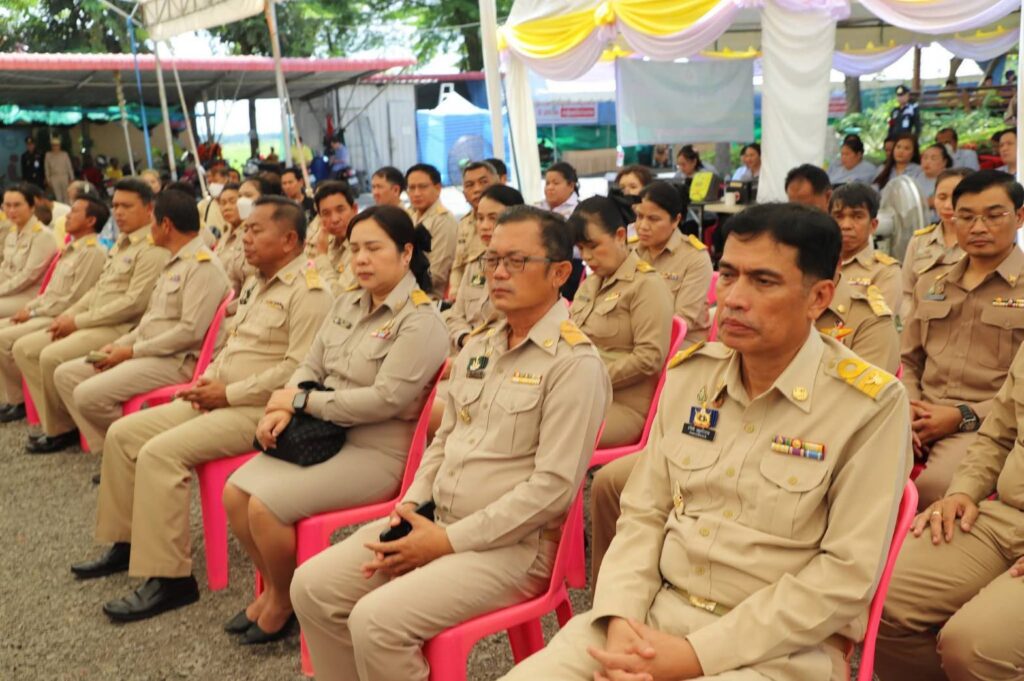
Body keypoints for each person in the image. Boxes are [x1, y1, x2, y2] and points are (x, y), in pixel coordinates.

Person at [502, 202, 910, 681]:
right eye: (729, 275)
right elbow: (643, 514)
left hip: (776, 651)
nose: (733, 298)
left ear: (818, 297)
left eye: (763, 281)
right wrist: (620, 620)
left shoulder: (868, 406)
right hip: (652, 614)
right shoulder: (692, 376)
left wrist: (694, 655)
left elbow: (844, 576)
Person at [289, 205, 611, 681]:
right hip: (437, 519)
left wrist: (446, 542)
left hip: (513, 547)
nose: (498, 273)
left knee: (376, 622)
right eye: (492, 260)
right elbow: (444, 440)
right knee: (312, 587)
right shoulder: (481, 345)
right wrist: (412, 505)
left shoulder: (574, 363)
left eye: (516, 262)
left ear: (560, 273)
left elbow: (553, 490)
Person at [69, 196, 331, 622]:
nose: (245, 238)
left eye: (256, 230)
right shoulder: (257, 282)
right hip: (218, 395)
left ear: (288, 240)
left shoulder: (311, 291)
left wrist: (228, 393)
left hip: (261, 409)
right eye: (246, 230)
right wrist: (206, 381)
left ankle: (171, 579)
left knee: (160, 454)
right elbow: (231, 344)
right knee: (124, 433)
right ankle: (128, 541)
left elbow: (298, 369)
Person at [222, 205, 448, 645]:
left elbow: (385, 400)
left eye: (374, 249)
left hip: (378, 452)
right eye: (355, 248)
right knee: (235, 493)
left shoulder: (421, 321)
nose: (360, 259)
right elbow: (311, 363)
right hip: (323, 436)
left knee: (265, 508)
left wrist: (303, 401)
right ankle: (276, 588)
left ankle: (283, 601)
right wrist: (284, 407)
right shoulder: (347, 302)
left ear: (405, 253)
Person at [875, 342, 1024, 681]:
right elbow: (998, 436)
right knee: (878, 597)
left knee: (973, 648)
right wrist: (963, 491)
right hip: (1003, 515)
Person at [52, 190, 230, 453]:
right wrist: (119, 345)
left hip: (176, 359)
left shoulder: (202, 266)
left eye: (153, 221)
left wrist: (131, 351)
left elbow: (189, 333)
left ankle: (134, 449)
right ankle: (116, 453)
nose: (150, 228)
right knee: (67, 374)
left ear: (166, 225)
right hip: (149, 350)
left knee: (87, 395)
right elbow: (151, 320)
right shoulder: (175, 260)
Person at [12, 178, 169, 453]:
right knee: (26, 347)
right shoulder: (122, 244)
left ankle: (73, 432)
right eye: (116, 206)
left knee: (49, 355)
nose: (119, 212)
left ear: (148, 209)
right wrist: (69, 316)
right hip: (96, 320)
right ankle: (62, 422)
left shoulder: (151, 248)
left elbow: (133, 304)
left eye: (127, 206)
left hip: (121, 327)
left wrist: (77, 321)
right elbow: (97, 289)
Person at [902, 170, 1024, 508]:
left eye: (993, 216)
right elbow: (908, 359)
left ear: (1019, 217)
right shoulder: (931, 283)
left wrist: (961, 416)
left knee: (935, 489)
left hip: (988, 426)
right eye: (966, 217)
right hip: (918, 415)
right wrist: (909, 407)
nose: (979, 227)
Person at [570, 195, 671, 449]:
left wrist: (592, 378)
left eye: (593, 246)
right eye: (580, 248)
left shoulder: (646, 285)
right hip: (578, 394)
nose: (586, 256)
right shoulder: (590, 284)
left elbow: (649, 358)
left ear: (619, 235)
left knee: (550, 434)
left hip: (622, 405)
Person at [0, 196, 107, 421]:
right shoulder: (72, 248)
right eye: (6, 205)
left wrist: (32, 311)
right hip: (44, 306)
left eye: (74, 212)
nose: (67, 215)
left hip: (58, 314)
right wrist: (31, 308)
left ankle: (49, 415)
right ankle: (17, 399)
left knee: (11, 342)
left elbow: (73, 299)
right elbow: (49, 292)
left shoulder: (93, 252)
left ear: (91, 221)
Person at [443, 185, 524, 353]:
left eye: (493, 218)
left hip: (503, 353)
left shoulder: (524, 267)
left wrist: (476, 345)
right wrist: (464, 338)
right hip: (465, 349)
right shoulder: (475, 264)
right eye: (480, 218)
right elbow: (455, 315)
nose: (484, 226)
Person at [633, 181, 713, 343]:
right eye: (639, 216)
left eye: (653, 219)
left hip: (680, 344)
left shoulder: (695, 257)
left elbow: (682, 321)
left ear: (676, 220)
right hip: (632, 339)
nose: (642, 226)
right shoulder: (629, 250)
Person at [900, 168, 971, 319]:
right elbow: (906, 293)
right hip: (921, 324)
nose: (948, 205)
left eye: (956, 197)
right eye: (942, 197)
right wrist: (912, 324)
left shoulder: (980, 241)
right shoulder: (919, 241)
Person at [829, 182, 901, 314]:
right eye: (838, 217)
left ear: (873, 225)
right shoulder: (816, 265)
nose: (846, 225)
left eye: (857, 216)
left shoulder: (885, 271)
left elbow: (881, 323)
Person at [0, 184, 59, 318]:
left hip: (30, 295)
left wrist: (1, 290)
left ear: (32, 207)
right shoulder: (12, 233)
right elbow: (4, 269)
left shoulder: (43, 236)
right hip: (9, 290)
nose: (11, 210)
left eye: (17, 205)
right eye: (7, 205)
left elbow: (28, 276)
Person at [449, 161, 499, 295]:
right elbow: (457, 266)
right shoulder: (463, 224)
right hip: (465, 296)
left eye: (483, 182)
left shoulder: (509, 221)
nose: (477, 189)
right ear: (464, 194)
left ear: (498, 185)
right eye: (470, 185)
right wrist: (455, 293)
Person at [406, 163, 455, 296]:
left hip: (429, 296)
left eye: (422, 187)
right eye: (411, 188)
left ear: (438, 188)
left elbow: (436, 275)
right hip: (407, 289)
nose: (416, 193)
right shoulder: (410, 215)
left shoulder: (443, 220)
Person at [309, 181, 359, 296]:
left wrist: (322, 256)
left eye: (340, 210)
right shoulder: (325, 240)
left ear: (354, 209)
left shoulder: (361, 246)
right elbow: (309, 273)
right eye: (326, 213)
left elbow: (338, 297)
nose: (334, 219)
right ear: (319, 217)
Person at [212, 182, 251, 297]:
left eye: (232, 202)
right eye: (222, 203)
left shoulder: (249, 235)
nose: (226, 207)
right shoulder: (225, 235)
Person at [44, 138, 75, 203]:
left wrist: (72, 178)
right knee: (58, 197)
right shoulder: (48, 155)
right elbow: (46, 168)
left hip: (64, 176)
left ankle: (67, 208)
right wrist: (48, 179)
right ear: (52, 146)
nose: (55, 147)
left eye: (57, 145)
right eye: (54, 145)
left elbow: (69, 167)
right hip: (54, 177)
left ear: (60, 146)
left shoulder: (64, 154)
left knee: (66, 196)